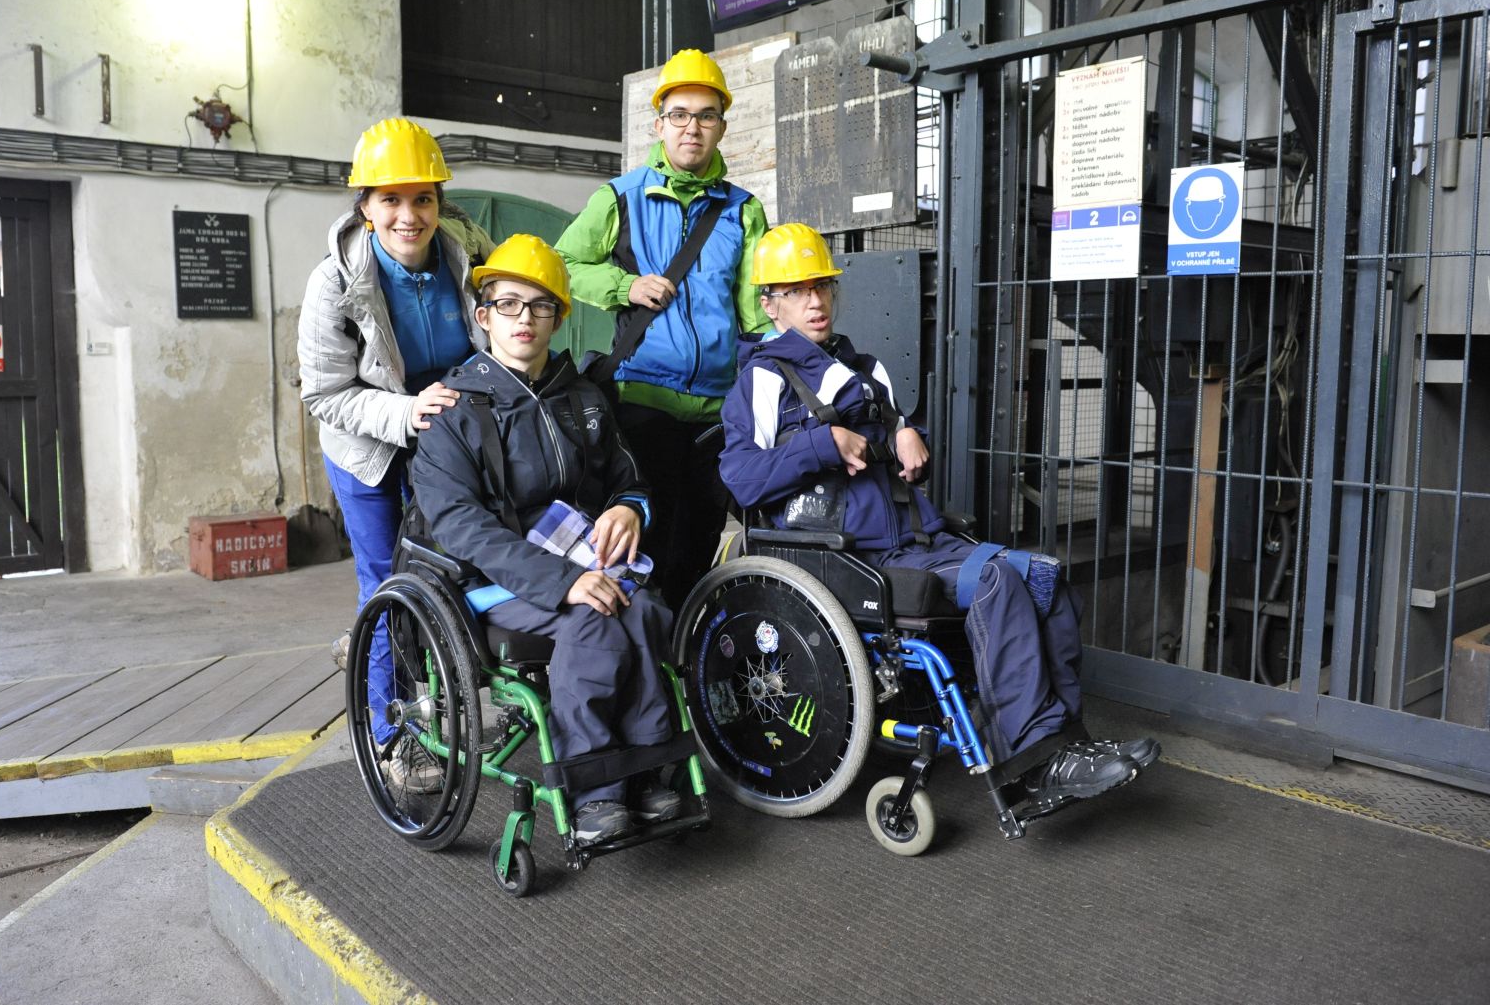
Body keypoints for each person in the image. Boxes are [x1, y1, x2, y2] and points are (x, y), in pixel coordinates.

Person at [718, 224, 1159, 808]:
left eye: (821, 286)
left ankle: (1066, 746)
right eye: (796, 291)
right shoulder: (763, 380)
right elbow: (741, 479)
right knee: (998, 581)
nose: (815, 300)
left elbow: (894, 442)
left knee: (1044, 577)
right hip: (846, 557)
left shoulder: (865, 369)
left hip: (916, 537)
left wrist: (907, 434)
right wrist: (823, 445)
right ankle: (1033, 760)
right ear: (770, 304)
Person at [411, 234, 681, 845]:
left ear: (559, 318)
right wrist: (566, 583)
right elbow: (460, 525)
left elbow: (628, 478)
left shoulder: (582, 398)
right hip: (493, 580)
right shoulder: (454, 411)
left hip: (584, 559)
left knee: (644, 612)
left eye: (540, 306)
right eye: (508, 304)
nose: (524, 319)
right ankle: (596, 791)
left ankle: (644, 772)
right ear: (485, 317)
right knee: (595, 622)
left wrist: (629, 509)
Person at [297, 117, 495, 788]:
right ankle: (394, 737)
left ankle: (429, 687)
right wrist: (405, 412)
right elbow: (326, 392)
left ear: (440, 202)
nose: (408, 215)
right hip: (369, 449)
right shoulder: (334, 282)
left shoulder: (468, 254)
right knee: (388, 583)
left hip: (447, 439)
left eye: (422, 199)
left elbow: (504, 323)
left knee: (451, 572)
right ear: (365, 206)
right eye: (391, 199)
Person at [556, 48, 770, 611]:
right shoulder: (620, 198)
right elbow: (561, 266)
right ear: (659, 125)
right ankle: (645, 648)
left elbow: (756, 315)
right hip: (642, 403)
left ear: (722, 126)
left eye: (705, 115)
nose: (691, 127)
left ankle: (689, 649)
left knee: (698, 543)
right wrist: (624, 287)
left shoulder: (743, 211)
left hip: (717, 412)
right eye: (679, 115)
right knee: (646, 545)